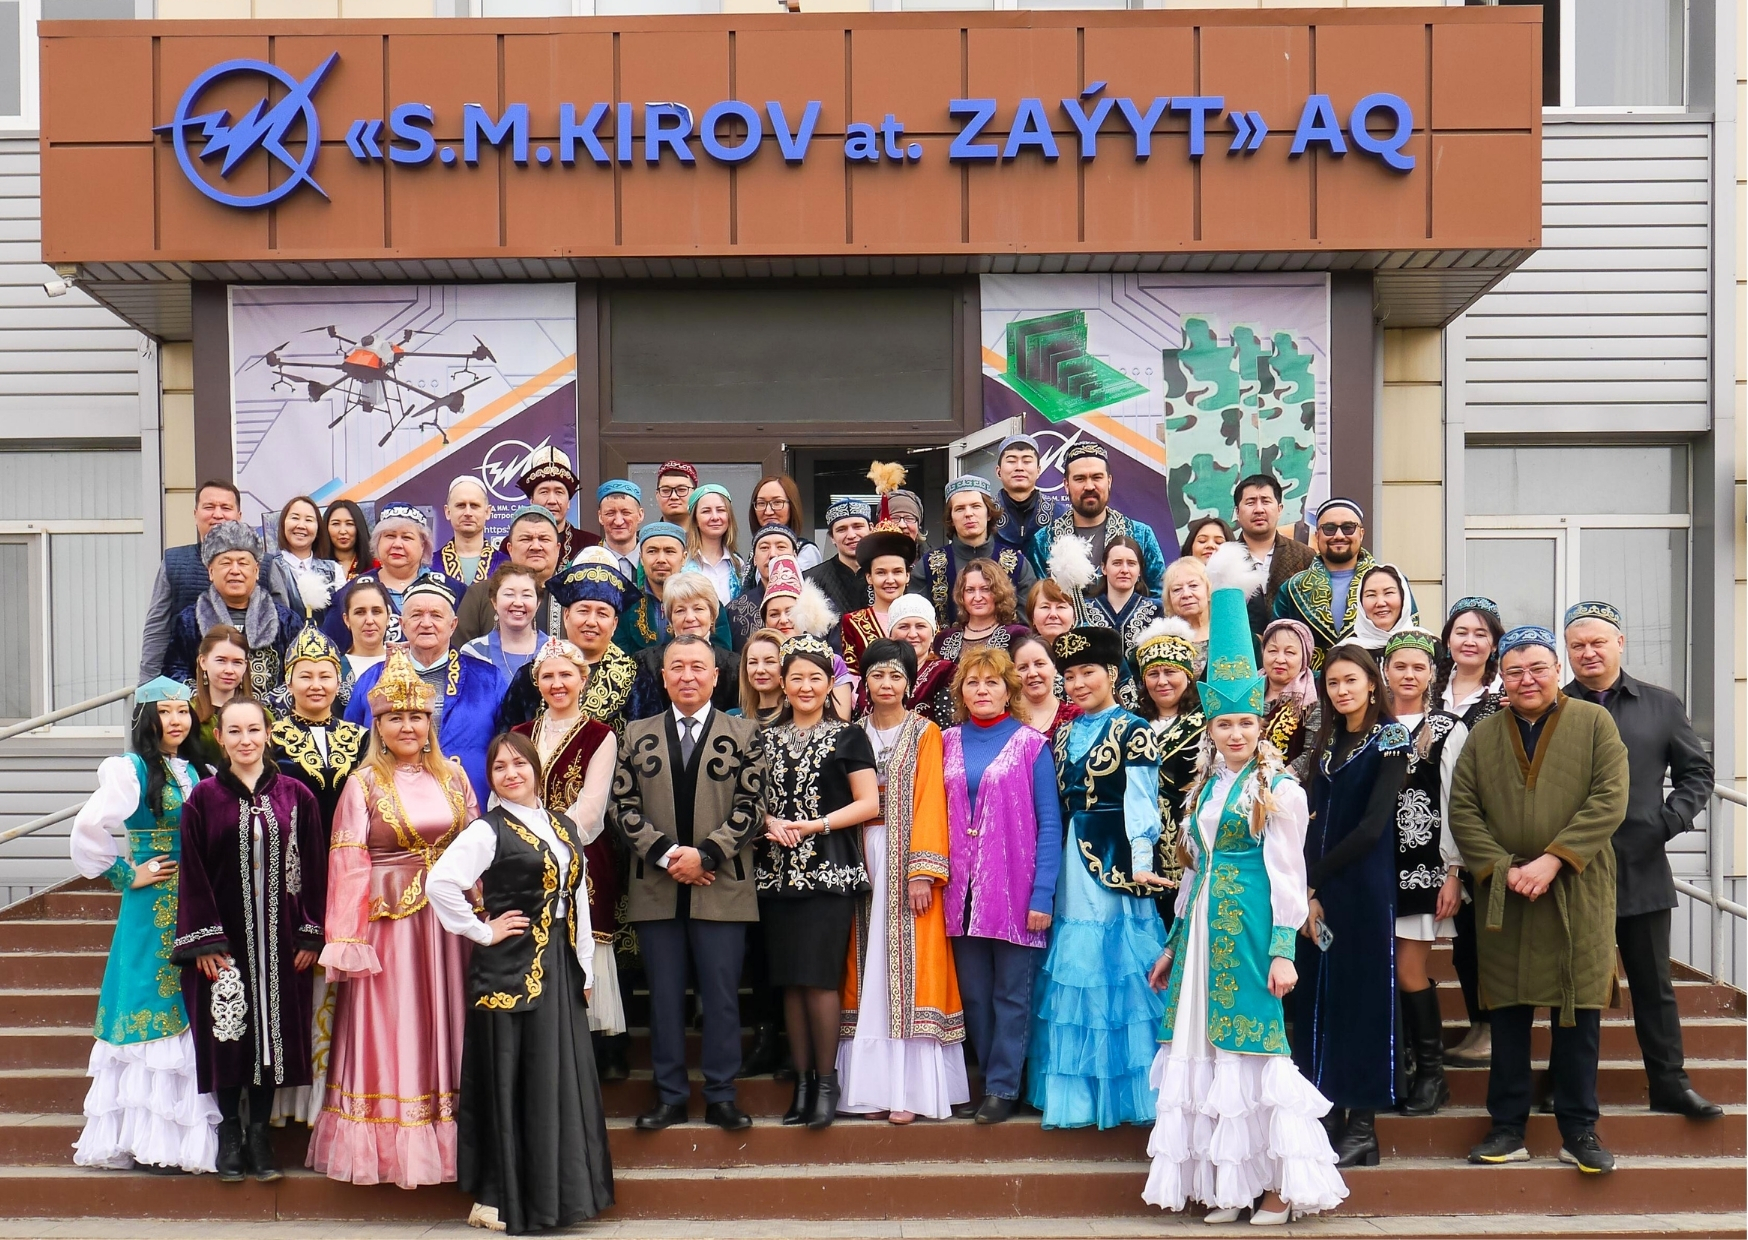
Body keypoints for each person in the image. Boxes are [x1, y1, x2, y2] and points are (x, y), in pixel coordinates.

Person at [1141, 573, 1345, 1225]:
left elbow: (1287, 875)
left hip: (1253, 929)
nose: (1235, 733)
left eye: (1246, 722)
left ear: (1262, 724)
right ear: (1211, 726)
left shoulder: (1279, 791)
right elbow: (1193, 875)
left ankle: (1280, 1188)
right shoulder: (1204, 789)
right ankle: (1231, 1185)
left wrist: (1284, 950)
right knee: (1210, 1056)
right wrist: (1173, 946)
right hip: (1203, 935)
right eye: (1224, 723)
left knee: (1257, 1053)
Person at [1449, 626, 1628, 1174]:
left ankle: (1579, 1130)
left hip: (1577, 887)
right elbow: (1463, 809)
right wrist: (1502, 869)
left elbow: (1610, 798)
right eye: (1514, 671)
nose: (1526, 680)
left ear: (1556, 671)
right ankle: (1507, 1128)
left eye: (1537, 669)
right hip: (1506, 894)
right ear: (1501, 677)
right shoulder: (1483, 735)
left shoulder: (1594, 722)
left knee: (1577, 1015)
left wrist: (1553, 860)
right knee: (1507, 1014)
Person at [428, 732, 615, 1234]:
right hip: (508, 970)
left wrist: (584, 966)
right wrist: (481, 930)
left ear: (536, 768)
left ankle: (559, 1196)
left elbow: (576, 900)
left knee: (557, 1076)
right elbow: (440, 883)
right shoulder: (487, 831)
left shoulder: (562, 825)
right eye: (499, 768)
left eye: (519, 764)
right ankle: (501, 1197)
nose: (511, 774)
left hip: (559, 966)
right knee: (514, 1078)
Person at [310, 648, 478, 1189]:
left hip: (449, 926)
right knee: (397, 1024)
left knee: (448, 1020)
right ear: (378, 726)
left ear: (431, 724)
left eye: (417, 717)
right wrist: (346, 938)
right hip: (390, 928)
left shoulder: (455, 778)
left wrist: (482, 911)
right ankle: (393, 1144)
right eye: (395, 718)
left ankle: (451, 1138)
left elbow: (476, 845)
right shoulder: (362, 784)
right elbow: (348, 860)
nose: (408, 726)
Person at [1563, 601, 1721, 1120]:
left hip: (1642, 865)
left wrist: (1667, 823)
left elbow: (1697, 773)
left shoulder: (1661, 705)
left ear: (1620, 643)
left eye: (1597, 642)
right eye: (1577, 645)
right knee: (1573, 988)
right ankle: (1567, 1087)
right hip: (1573, 870)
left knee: (1654, 985)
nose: (1588, 652)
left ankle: (1670, 1084)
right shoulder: (1555, 705)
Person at [609, 634, 770, 1132]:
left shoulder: (744, 733)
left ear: (716, 676)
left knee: (721, 996)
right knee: (663, 996)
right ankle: (670, 1096)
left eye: (698, 667)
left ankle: (721, 1095)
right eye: (677, 666)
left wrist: (706, 855)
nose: (687, 676)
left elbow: (753, 806)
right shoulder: (635, 733)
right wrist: (667, 855)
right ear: (663, 676)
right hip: (656, 886)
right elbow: (622, 806)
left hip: (722, 884)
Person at [172, 698, 326, 1184]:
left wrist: (311, 931)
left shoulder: (297, 796)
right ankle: (230, 1132)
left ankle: (260, 1133)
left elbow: (315, 869)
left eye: (254, 730)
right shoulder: (203, 800)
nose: (245, 740)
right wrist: (205, 940)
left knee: (272, 1033)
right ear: (220, 738)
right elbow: (192, 873)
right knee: (227, 1031)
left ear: (267, 734)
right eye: (234, 731)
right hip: (224, 941)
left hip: (282, 940)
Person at [70, 678, 219, 1175]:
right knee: (149, 999)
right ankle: (144, 1139)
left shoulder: (199, 768)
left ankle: (180, 1140)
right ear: (147, 718)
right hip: (152, 900)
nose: (176, 720)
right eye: (165, 711)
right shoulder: (129, 769)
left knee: (191, 1002)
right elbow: (87, 827)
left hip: (198, 898)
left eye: (183, 710)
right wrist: (124, 873)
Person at [1027, 627, 1167, 1130]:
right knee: (1077, 969)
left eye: (1088, 672)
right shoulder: (1064, 733)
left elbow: (1142, 800)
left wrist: (1143, 859)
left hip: (1118, 860)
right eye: (1069, 676)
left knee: (1115, 969)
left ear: (1111, 673)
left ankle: (1127, 1092)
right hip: (1071, 859)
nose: (1078, 683)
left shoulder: (1135, 729)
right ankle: (1081, 1096)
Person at [836, 639, 968, 1123]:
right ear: (864, 683)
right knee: (866, 968)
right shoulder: (851, 734)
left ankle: (909, 1091)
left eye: (896, 675)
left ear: (909, 683)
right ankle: (871, 1090)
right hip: (861, 855)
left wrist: (923, 871)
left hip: (908, 855)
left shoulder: (925, 732)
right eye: (877, 675)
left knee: (910, 967)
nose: (886, 683)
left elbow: (931, 799)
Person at [757, 634, 881, 1129]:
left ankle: (827, 1084)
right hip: (776, 874)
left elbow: (869, 803)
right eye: (797, 678)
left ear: (831, 684)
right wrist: (768, 821)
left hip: (830, 871)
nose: (806, 686)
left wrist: (815, 825)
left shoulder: (849, 735)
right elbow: (747, 799)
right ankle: (803, 1084)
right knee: (790, 981)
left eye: (815, 678)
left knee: (821, 979)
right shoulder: (764, 736)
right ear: (782, 684)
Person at [1295, 643, 1411, 1169]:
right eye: (1333, 683)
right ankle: (1326, 1113)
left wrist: (1314, 880)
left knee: (1364, 999)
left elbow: (1371, 827)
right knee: (1323, 995)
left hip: (1362, 886)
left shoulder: (1391, 738)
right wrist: (1306, 888)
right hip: (1319, 890)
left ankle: (1363, 1126)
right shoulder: (1328, 740)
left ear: (1371, 683)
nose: (1342, 691)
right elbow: (1311, 817)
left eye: (1350, 681)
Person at [942, 646, 1063, 1124]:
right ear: (961, 692)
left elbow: (1050, 824)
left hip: (1015, 888)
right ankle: (992, 1079)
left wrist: (1043, 894)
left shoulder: (1031, 744)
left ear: (1008, 690)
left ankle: (1003, 1087)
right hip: (959, 892)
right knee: (974, 994)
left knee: (1012, 994)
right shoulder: (945, 741)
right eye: (973, 682)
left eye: (991, 682)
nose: (982, 690)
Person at [512, 637, 628, 1078]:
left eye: (566, 675)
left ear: (583, 679)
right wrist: (516, 846)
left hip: (582, 856)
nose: (557, 683)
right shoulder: (519, 734)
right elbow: (501, 796)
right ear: (537, 682)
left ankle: (592, 1055)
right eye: (548, 676)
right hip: (522, 858)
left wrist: (540, 843)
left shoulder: (600, 736)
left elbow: (591, 810)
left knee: (583, 942)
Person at [266, 628, 368, 1127]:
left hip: (350, 874)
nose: (316, 684)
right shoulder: (270, 737)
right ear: (288, 682)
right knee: (295, 978)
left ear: (338, 682)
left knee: (340, 985)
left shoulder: (361, 738)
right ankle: (288, 1100)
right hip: (290, 877)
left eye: (325, 675)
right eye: (304, 675)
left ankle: (335, 1096)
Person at [1381, 627, 1465, 1118]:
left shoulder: (1447, 727)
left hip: (1425, 868)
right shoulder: (1373, 723)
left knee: (1409, 969)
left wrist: (1454, 871)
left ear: (1433, 672)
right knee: (1381, 970)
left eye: (1418, 666)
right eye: (1400, 666)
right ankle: (1400, 1065)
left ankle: (1433, 1075)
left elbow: (1457, 801)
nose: (1408, 674)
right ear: (1385, 671)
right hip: (1376, 867)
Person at [345, 574, 506, 802]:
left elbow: (507, 747)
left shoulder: (488, 680)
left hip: (470, 804)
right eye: (417, 615)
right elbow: (354, 748)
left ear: (453, 625)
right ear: (402, 624)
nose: (426, 623)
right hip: (391, 807)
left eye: (436, 615)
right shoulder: (372, 679)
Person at [1433, 597, 1506, 1070]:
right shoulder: (1429, 690)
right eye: (1461, 632)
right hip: (1428, 825)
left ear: (1495, 644)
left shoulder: (1503, 696)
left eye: (1481, 634)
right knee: (1459, 942)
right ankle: (1476, 1024)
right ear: (1447, 640)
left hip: (1485, 827)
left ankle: (1490, 1028)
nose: (1470, 641)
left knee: (1482, 938)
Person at [499, 558, 648, 734]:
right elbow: (507, 739)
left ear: (614, 624)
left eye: (602, 614)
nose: (591, 622)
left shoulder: (635, 679)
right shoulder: (529, 676)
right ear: (566, 616)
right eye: (583, 611)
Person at [163, 520, 304, 697]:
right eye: (226, 563)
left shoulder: (286, 621)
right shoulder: (189, 621)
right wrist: (205, 700)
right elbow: (175, 670)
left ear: (256, 571)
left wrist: (268, 706)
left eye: (243, 563)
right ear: (211, 572)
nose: (235, 570)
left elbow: (300, 672)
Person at [1132, 619, 1204, 930]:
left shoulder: (1206, 722)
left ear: (1187, 675)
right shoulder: (1132, 723)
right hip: (1141, 841)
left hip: (1190, 840)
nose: (1162, 681)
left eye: (1170, 672)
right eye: (1153, 673)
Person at [140, 480, 246, 682]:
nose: (217, 514)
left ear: (239, 516)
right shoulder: (174, 562)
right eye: (209, 507)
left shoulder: (264, 564)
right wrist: (148, 683)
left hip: (250, 686)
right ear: (195, 514)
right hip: (185, 684)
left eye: (226, 508)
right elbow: (157, 629)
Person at [1028, 442, 1165, 597]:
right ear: (1066, 485)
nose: (1089, 486)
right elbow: (1038, 600)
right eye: (1080, 479)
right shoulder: (1044, 541)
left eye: (1097, 477)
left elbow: (1160, 595)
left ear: (1109, 481)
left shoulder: (1141, 535)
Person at [911, 476, 1037, 629]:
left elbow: (1028, 626)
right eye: (960, 509)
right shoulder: (928, 566)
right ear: (951, 518)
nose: (968, 514)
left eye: (976, 506)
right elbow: (916, 623)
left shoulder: (1018, 564)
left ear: (989, 513)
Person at [1272, 498, 1376, 667]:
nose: (1339, 535)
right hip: (1310, 682)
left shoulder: (1390, 584)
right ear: (1317, 535)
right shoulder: (1292, 588)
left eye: (1348, 528)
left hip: (1373, 681)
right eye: (1329, 528)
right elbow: (1276, 645)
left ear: (1361, 533)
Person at [319, 503, 435, 648]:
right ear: (377, 542)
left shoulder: (450, 589)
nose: (397, 544)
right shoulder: (350, 593)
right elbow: (330, 649)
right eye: (390, 536)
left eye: (406, 537)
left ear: (423, 545)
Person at [630, 569, 740, 717]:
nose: (689, 618)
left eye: (698, 609)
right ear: (670, 619)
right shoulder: (645, 663)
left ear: (712, 616)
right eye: (680, 610)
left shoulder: (735, 666)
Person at [760, 555, 856, 720]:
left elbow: (842, 723)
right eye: (774, 614)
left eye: (790, 611)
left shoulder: (832, 661)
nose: (783, 620)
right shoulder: (759, 661)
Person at [457, 507, 564, 645]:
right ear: (510, 548)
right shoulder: (481, 594)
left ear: (557, 548)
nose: (536, 546)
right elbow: (459, 651)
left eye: (544, 539)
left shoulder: (572, 594)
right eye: (526, 539)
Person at [1230, 474, 1314, 641]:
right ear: (1237, 512)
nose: (1259, 509)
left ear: (1279, 509)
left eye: (1266, 501)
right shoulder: (1225, 560)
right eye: (1250, 502)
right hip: (1240, 649)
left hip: (1292, 649)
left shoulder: (1305, 555)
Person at [841, 520, 917, 676]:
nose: (890, 580)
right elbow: (851, 675)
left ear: (907, 576)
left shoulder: (923, 618)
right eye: (881, 573)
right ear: (869, 577)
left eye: (897, 572)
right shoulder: (853, 622)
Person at [991, 433, 1069, 569]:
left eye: (1027, 461)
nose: (1019, 467)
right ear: (998, 472)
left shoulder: (1061, 514)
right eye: (1011, 461)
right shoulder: (986, 514)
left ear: (1038, 470)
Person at [512, 446, 598, 566]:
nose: (552, 501)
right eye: (544, 492)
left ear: (569, 502)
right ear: (531, 500)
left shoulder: (591, 545)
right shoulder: (513, 544)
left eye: (559, 492)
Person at [1260, 618, 1322, 784]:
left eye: (1290, 652)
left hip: (1286, 787)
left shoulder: (1313, 698)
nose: (1280, 659)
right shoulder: (1249, 690)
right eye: (1273, 651)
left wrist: (1274, 783)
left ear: (1305, 657)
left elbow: (1312, 752)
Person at [1082, 536, 1162, 661]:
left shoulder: (1157, 610)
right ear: (1104, 568)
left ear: (1140, 570)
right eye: (1117, 563)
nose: (1124, 570)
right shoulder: (1083, 610)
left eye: (1131, 563)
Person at [186, 626, 256, 770]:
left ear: (245, 666)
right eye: (221, 660)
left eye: (237, 662)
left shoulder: (261, 715)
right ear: (203, 662)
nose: (229, 670)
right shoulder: (187, 714)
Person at [460, 563, 545, 682]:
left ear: (538, 603)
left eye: (526, 595)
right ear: (494, 601)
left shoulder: (557, 651)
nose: (518, 603)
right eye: (509, 594)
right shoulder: (473, 652)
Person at [934, 559, 1028, 663]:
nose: (977, 598)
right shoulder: (943, 639)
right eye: (970, 590)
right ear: (961, 595)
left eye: (985, 589)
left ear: (999, 592)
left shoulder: (1018, 635)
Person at [617, 521, 689, 656]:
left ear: (684, 558)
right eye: (652, 551)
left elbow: (720, 655)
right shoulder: (624, 606)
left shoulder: (704, 603)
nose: (661, 559)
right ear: (641, 558)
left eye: (669, 551)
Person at [727, 523, 803, 650]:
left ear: (795, 556)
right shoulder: (734, 610)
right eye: (764, 548)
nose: (772, 554)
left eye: (781, 547)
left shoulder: (816, 607)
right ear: (754, 559)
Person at [885, 594, 958, 726]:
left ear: (933, 634)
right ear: (890, 634)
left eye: (920, 626)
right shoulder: (876, 672)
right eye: (903, 627)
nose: (913, 634)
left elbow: (949, 728)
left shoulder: (945, 673)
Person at [270, 495, 345, 621]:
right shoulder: (270, 567)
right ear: (283, 524)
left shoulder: (333, 570)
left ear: (318, 528)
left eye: (309, 520)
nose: (301, 525)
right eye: (295, 518)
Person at [804, 499, 874, 627]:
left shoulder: (885, 574)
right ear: (832, 537)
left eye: (857, 526)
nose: (851, 535)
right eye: (842, 529)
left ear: (871, 529)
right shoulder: (811, 580)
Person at [682, 484, 744, 606]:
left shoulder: (738, 565)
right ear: (695, 519)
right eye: (706, 511)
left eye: (721, 510)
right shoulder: (683, 563)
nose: (715, 517)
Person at [1011, 631, 1078, 741]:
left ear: (1055, 667)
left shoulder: (1076, 717)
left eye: (1039, 664)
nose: (1032, 673)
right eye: (1023, 667)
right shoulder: (1005, 720)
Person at [747, 475, 822, 572]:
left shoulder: (806, 551)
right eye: (761, 503)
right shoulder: (754, 553)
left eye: (777, 502)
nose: (768, 511)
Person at [437, 477, 495, 587]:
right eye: (461, 505)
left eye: (474, 506)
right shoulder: (428, 565)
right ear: (448, 512)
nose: (468, 513)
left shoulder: (506, 564)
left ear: (487, 512)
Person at [1159, 556, 1212, 675]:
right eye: (1177, 589)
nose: (1186, 594)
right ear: (1169, 599)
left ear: (1208, 590)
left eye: (1193, 586)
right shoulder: (1161, 641)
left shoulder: (1227, 633)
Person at [1351, 562, 1419, 652]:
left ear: (1404, 598)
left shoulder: (1428, 646)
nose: (1380, 603)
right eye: (1371, 595)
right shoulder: (1347, 653)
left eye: (1388, 593)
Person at [337, 578, 391, 682]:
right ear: (347, 619)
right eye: (360, 612)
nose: (369, 621)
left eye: (376, 611)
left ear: (388, 617)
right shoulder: (334, 670)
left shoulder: (405, 666)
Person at [595, 479, 645, 583]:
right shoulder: (584, 563)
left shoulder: (656, 563)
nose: (618, 522)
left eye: (626, 513)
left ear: (640, 515)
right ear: (600, 517)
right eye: (610, 513)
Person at [736, 629, 787, 723]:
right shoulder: (733, 719)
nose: (760, 670)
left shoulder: (799, 719)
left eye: (770, 662)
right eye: (753, 662)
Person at [315, 498, 371, 582]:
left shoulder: (375, 566)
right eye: (336, 524)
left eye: (349, 524)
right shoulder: (315, 566)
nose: (343, 531)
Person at [1026, 578, 1079, 647]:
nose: (1053, 614)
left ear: (1074, 616)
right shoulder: (1021, 652)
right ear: (1032, 616)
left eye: (1061, 607)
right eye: (1045, 607)